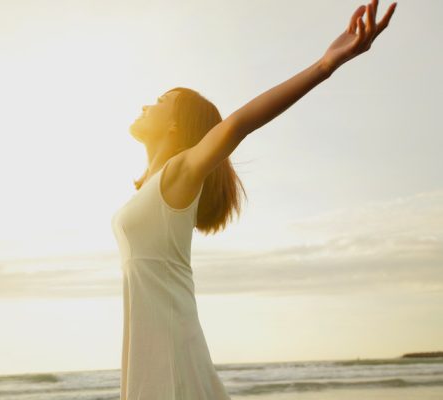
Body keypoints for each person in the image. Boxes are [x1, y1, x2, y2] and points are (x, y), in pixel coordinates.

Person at [110, 1, 397, 399]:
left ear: (176, 124)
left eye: (160, 101)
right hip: (156, 346)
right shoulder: (156, 188)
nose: (146, 105)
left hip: (169, 354)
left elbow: (238, 124)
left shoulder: (180, 173)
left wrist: (324, 65)